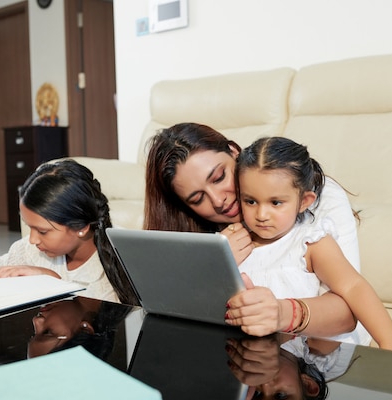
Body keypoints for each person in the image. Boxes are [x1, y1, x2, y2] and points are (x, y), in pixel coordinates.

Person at [144, 122, 357, 338]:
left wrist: (284, 313)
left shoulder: (319, 197)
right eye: (198, 199)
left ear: (234, 152)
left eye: (219, 177)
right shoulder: (201, 233)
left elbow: (350, 309)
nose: (219, 200)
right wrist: (212, 266)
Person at [227, 136, 392, 351]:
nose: (262, 214)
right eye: (251, 201)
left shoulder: (310, 242)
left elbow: (354, 287)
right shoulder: (231, 242)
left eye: (276, 202)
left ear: (304, 202)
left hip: (303, 362)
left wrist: (390, 344)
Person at [0, 159, 139, 305]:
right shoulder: (31, 250)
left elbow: (107, 317)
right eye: (29, 226)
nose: (32, 239)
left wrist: (52, 283)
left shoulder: (119, 259)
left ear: (81, 227)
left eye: (42, 231)